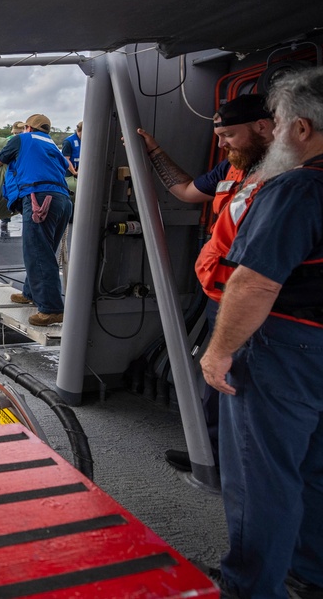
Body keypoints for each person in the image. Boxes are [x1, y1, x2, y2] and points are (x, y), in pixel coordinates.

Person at [199, 67, 323, 599]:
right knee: (314, 466)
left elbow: (253, 283)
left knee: (261, 476)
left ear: (299, 129)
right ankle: (310, 570)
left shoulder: (297, 189)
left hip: (284, 347)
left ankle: (250, 587)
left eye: (279, 121)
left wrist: (219, 351)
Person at [138, 94, 274, 473]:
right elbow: (185, 190)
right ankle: (213, 454)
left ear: (263, 128)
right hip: (221, 294)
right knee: (218, 375)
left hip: (260, 299)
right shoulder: (231, 170)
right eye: (218, 136)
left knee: (249, 382)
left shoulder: (289, 177)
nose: (222, 144)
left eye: (229, 134)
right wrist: (153, 152)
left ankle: (248, 466)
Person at [0, 114, 72, 326]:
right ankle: (31, 292)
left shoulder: (22, 139)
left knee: (37, 251)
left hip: (39, 198)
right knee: (45, 249)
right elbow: (64, 169)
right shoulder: (52, 144)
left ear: (27, 128)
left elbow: (1, 159)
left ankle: (51, 308)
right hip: (62, 199)